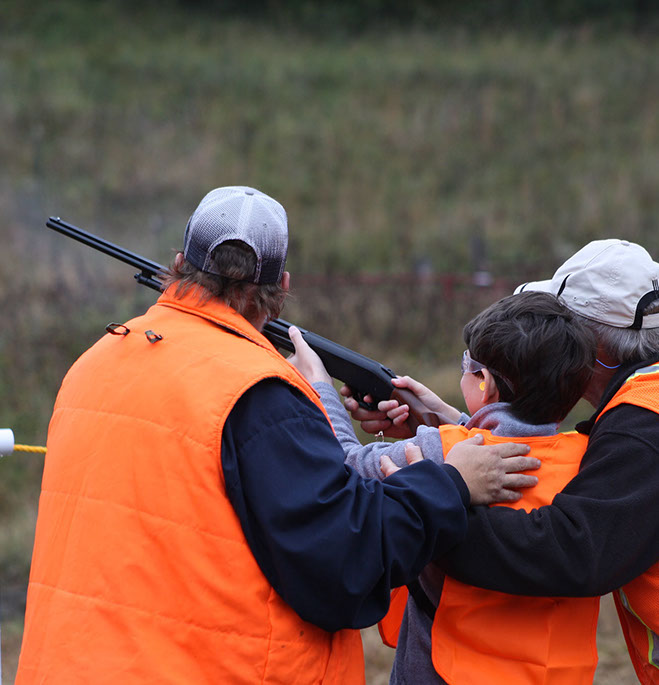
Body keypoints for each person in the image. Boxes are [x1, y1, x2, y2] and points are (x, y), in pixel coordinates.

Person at [15, 186, 539, 685]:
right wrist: (450, 483)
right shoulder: (258, 394)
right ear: (281, 286)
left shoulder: (94, 363)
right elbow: (345, 565)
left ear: (178, 264)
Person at [345, 238, 659, 685]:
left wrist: (429, 500)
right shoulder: (633, 411)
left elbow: (572, 552)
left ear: (590, 346)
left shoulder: (640, 427)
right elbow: (541, 465)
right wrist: (461, 426)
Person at [290, 290, 600, 684]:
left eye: (467, 364)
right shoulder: (589, 458)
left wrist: (319, 388)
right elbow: (521, 440)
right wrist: (452, 421)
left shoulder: (445, 450)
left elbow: (343, 467)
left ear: (485, 383)